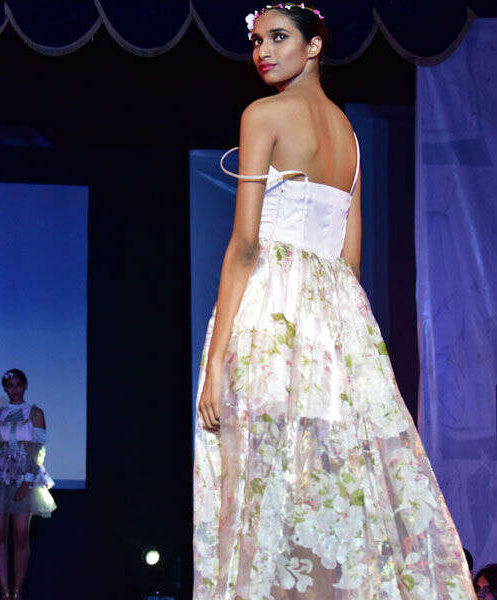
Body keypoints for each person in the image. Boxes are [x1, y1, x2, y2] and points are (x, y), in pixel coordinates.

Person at [192, 4, 475, 598]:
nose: (263, 52)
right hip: (337, 326)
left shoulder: (262, 114)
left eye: (278, 38)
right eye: (257, 41)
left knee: (263, 492)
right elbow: (350, 260)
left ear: (314, 45)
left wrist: (215, 362)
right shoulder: (349, 134)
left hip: (270, 316)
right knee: (329, 490)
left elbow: (245, 245)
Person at [0, 369, 56, 600]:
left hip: (24, 473)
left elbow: (38, 448)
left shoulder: (35, 413)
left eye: (18, 384)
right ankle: (4, 591)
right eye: (9, 385)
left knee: (20, 534)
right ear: (5, 388)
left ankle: (18, 590)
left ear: (24, 386)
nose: (14, 389)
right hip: (0, 475)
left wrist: (27, 481)